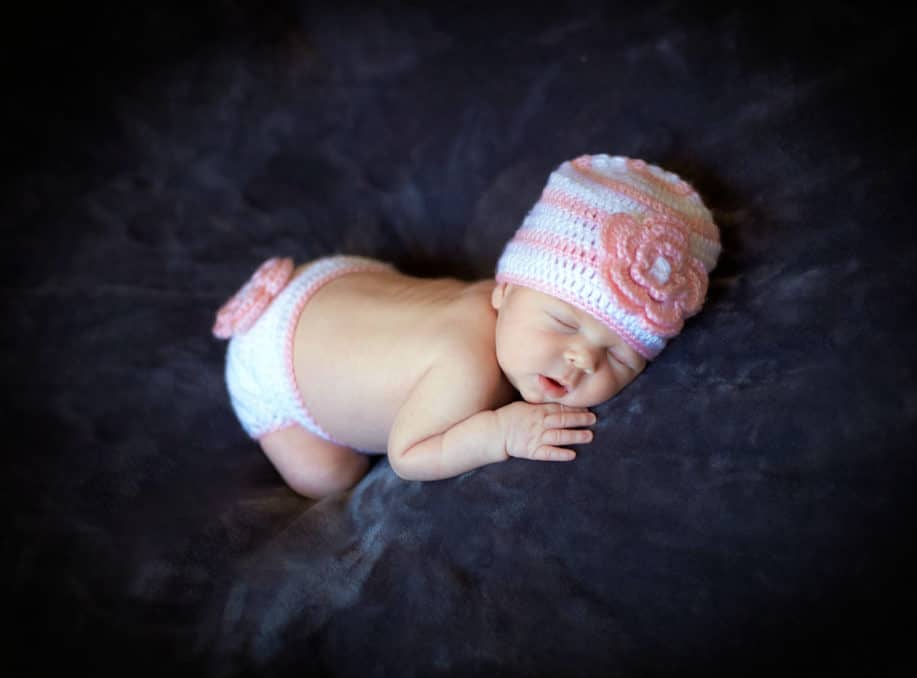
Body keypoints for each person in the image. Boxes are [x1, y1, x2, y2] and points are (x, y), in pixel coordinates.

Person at [212, 154, 721, 499]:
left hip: (331, 283)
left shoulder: (508, 309)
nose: (582, 359)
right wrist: (498, 433)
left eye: (619, 356)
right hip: (272, 362)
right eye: (563, 322)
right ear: (505, 290)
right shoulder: (466, 367)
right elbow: (407, 454)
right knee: (329, 476)